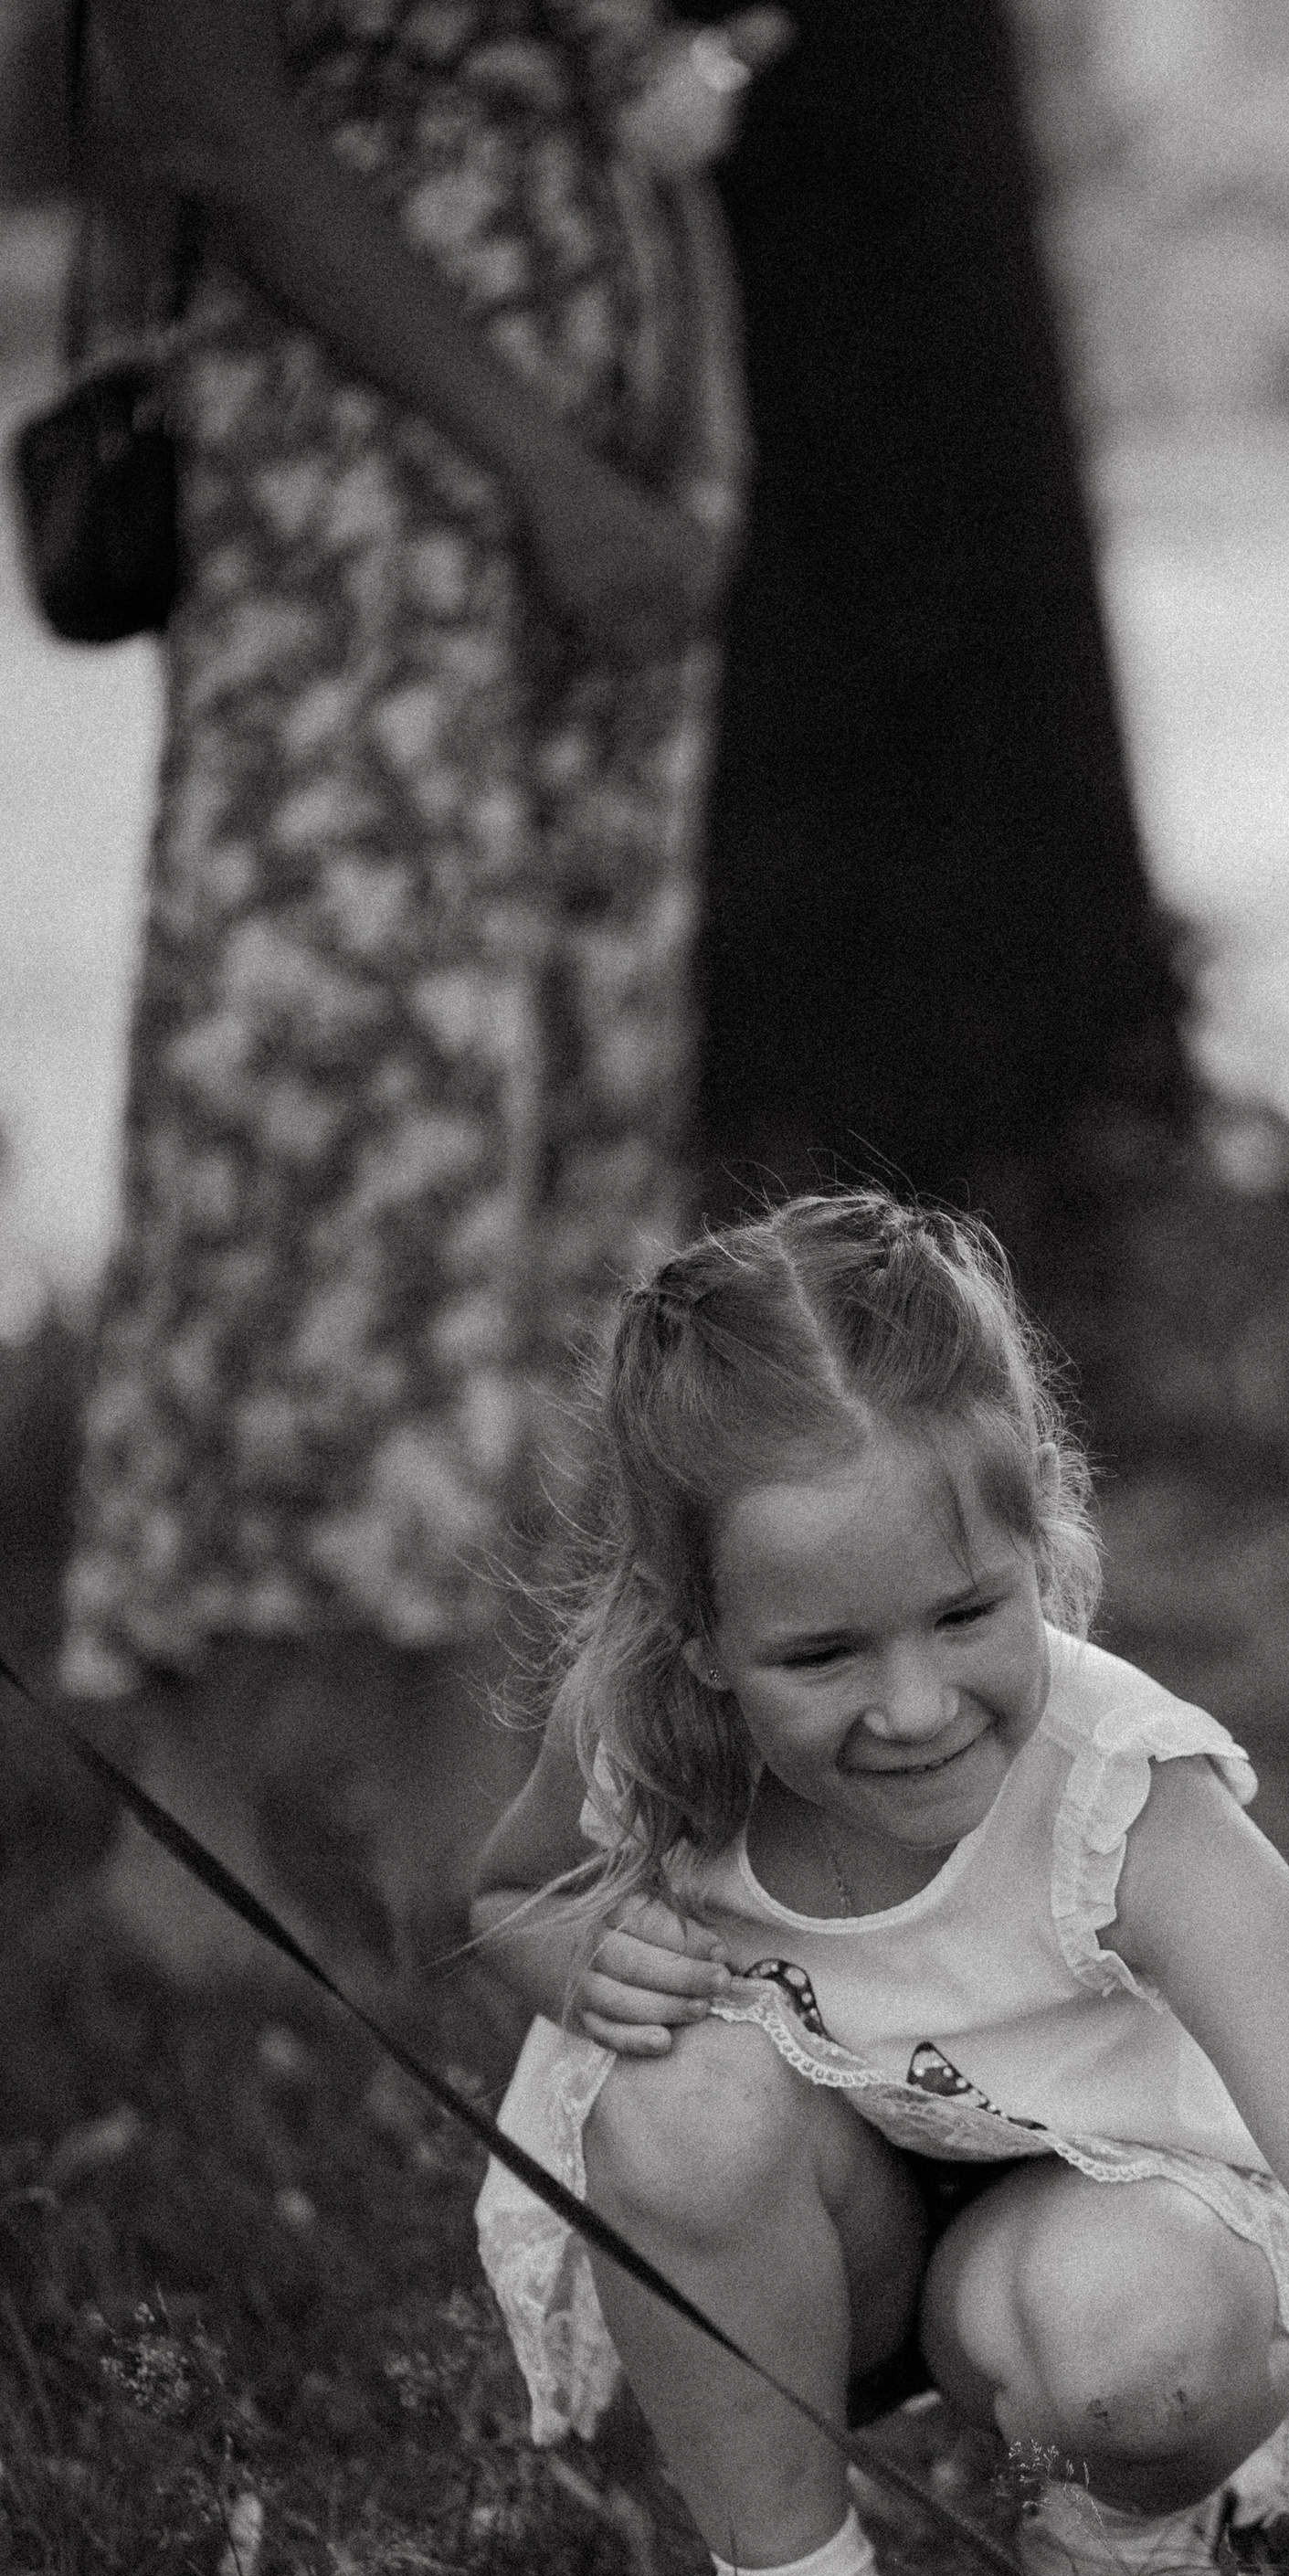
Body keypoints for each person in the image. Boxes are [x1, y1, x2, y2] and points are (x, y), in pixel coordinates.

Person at [470, 1191, 1289, 2576]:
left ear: (1037, 1534)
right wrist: (570, 1947)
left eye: (967, 1614)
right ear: (696, 1633)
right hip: (814, 2251)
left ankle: (1126, 2535)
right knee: (670, 2101)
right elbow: (507, 1892)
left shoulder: (1130, 1802)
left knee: (1142, 2342)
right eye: (823, 1657)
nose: (914, 1705)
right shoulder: (646, 1728)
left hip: (1091, 2253)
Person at [58, 0, 780, 1985]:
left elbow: (653, 96)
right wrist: (547, 464)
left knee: (566, 1119)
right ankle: (197, 1829)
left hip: (597, 513)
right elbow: (203, 105)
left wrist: (684, 449)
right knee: (340, 1109)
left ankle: (476, 1791)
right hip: (377, 500)